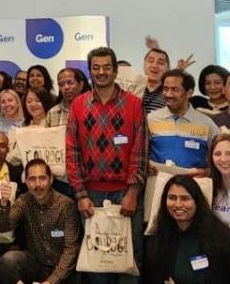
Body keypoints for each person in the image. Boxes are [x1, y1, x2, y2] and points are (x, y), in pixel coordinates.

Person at [66, 46, 146, 284]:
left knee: (130, 263)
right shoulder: (78, 105)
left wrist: (133, 192)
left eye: (106, 67)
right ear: (90, 71)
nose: (101, 72)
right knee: (98, 267)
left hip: (126, 193)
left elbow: (140, 151)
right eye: (96, 67)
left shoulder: (133, 104)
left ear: (115, 71)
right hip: (91, 193)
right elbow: (72, 152)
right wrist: (80, 194)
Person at [144, 175, 230, 283]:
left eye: (185, 198)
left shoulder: (221, 238)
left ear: (196, 202)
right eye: (172, 198)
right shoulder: (160, 239)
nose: (178, 204)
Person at [0, 159, 79, 284]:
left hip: (61, 269)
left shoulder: (67, 205)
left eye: (42, 178)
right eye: (32, 179)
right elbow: (5, 227)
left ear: (51, 180)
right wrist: (4, 203)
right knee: (8, 260)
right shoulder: (24, 201)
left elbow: (71, 249)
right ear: (27, 183)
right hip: (35, 264)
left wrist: (50, 282)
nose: (37, 184)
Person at [147, 69, 220, 172]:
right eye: (165, 89)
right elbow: (139, 155)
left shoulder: (206, 123)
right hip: (157, 183)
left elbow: (222, 158)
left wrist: (206, 172)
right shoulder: (151, 119)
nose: (168, 94)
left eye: (175, 89)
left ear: (189, 93)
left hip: (194, 184)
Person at [141, 47, 170, 113]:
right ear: (144, 64)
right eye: (151, 61)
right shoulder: (132, 87)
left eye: (160, 63)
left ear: (167, 69)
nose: (154, 66)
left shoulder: (170, 94)